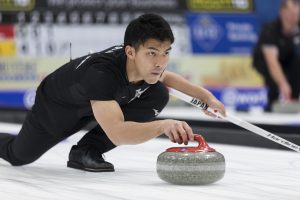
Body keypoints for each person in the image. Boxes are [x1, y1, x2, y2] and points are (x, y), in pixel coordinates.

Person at [0, 14, 225, 172]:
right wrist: (163, 125)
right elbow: (117, 133)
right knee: (19, 156)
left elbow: (167, 77)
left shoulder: (145, 66)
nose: (160, 62)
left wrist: (209, 99)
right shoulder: (100, 74)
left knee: (158, 93)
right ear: (130, 51)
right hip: (57, 107)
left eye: (166, 52)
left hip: (96, 102)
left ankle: (86, 152)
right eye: (152, 53)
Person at [252, 0, 300, 111]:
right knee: (273, 78)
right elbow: (272, 63)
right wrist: (283, 85)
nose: (294, 17)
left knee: (297, 64)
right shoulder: (270, 30)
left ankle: (294, 101)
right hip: (264, 61)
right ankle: (271, 104)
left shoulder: (297, 28)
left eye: (297, 14)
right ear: (282, 12)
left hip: (286, 58)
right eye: (292, 14)